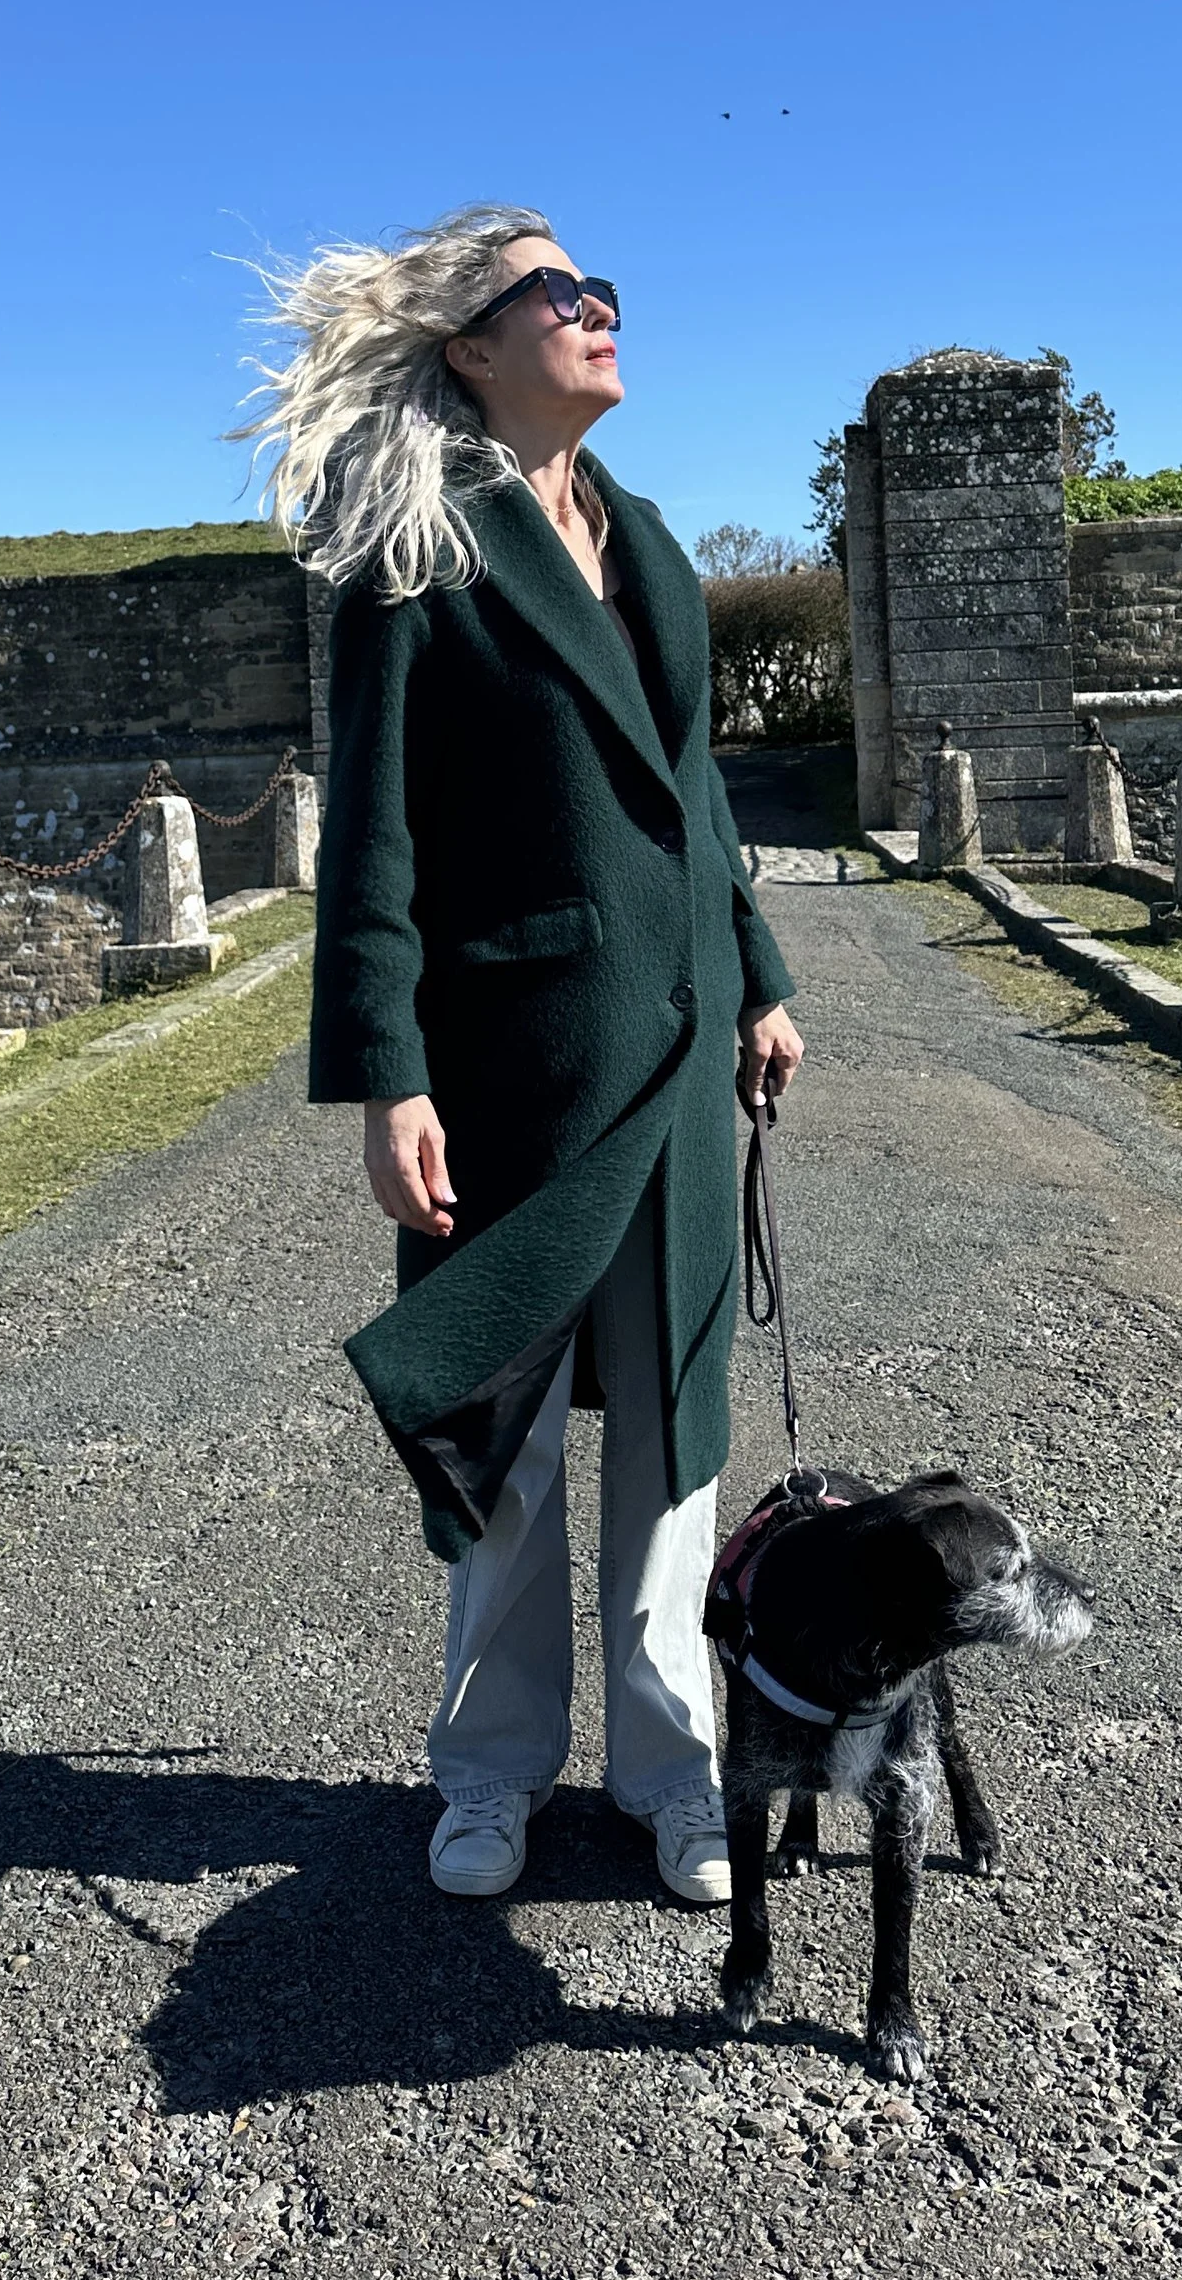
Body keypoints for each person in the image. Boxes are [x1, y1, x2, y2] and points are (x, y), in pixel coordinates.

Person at [251, 203, 804, 1905]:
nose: (597, 307)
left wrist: (761, 974)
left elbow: (696, 793)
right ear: (472, 348)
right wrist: (387, 1074)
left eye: (601, 286)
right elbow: (376, 842)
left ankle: (675, 1773)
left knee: (674, 1430)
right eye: (555, 292)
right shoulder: (416, 552)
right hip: (512, 1066)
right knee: (504, 1432)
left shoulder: (649, 541)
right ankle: (490, 1771)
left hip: (679, 1060)